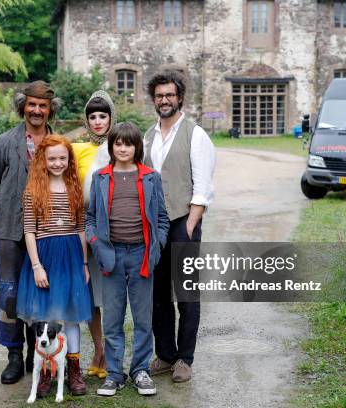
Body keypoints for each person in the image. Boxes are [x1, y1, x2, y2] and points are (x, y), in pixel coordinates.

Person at [0, 81, 61, 384]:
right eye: (32, 104)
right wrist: (5, 214)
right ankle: (14, 355)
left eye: (43, 106)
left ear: (50, 108)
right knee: (10, 294)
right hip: (9, 233)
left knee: (41, 294)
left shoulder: (58, 144)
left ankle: (38, 354)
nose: (37, 110)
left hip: (48, 233)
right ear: (23, 106)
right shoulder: (4, 143)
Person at [86, 122, 170, 397]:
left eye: (128, 144)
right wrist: (96, 245)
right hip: (110, 256)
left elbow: (161, 219)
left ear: (137, 148)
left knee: (143, 318)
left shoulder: (150, 177)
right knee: (112, 319)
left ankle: (140, 371)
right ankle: (114, 373)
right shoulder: (100, 177)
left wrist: (156, 246)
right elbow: (90, 219)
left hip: (141, 256)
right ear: (111, 147)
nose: (123, 148)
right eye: (118, 144)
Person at [143, 71, 216, 382]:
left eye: (169, 95)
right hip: (153, 226)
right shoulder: (147, 136)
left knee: (186, 294)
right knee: (157, 294)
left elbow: (203, 185)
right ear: (154, 100)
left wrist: (190, 224)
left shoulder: (195, 134)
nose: (164, 100)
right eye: (159, 96)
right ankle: (166, 354)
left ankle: (185, 358)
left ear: (180, 98)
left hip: (182, 222)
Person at [16, 135, 92, 397]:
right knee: (45, 314)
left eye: (62, 157)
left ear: (69, 159)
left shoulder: (75, 187)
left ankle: (73, 370)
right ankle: (46, 372)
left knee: (71, 316)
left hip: (70, 256)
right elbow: (29, 231)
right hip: (45, 256)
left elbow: (81, 228)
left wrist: (83, 262)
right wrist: (36, 266)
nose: (58, 163)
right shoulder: (33, 190)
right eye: (52, 158)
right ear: (42, 160)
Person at [72, 90, 116, 379]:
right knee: (91, 297)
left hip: (114, 230)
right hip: (85, 229)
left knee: (110, 295)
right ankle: (98, 348)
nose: (98, 121)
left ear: (112, 118)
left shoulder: (121, 144)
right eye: (93, 117)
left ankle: (111, 353)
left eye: (102, 116)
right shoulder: (77, 149)